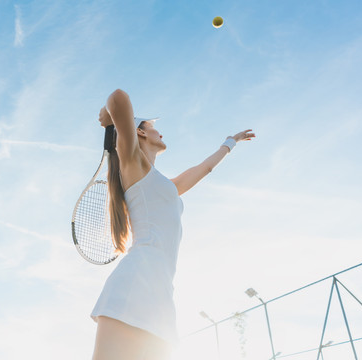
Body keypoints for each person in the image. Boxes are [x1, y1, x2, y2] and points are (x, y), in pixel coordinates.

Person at [90, 89, 255, 360]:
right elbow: (118, 97)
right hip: (135, 283)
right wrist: (109, 118)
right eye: (152, 127)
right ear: (139, 133)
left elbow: (204, 169)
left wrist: (230, 142)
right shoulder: (132, 164)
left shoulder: (164, 185)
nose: (159, 132)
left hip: (160, 295)